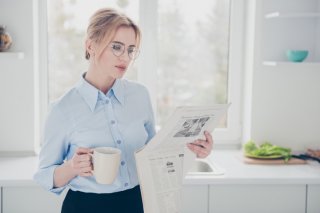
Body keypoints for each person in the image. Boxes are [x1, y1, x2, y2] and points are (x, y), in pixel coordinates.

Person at [34, 8, 213, 213]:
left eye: (130, 50)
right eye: (117, 47)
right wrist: (73, 167)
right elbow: (45, 175)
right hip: (85, 206)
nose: (125, 57)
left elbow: (153, 156)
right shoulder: (63, 109)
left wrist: (192, 149)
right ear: (90, 45)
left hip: (137, 202)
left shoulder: (140, 95)